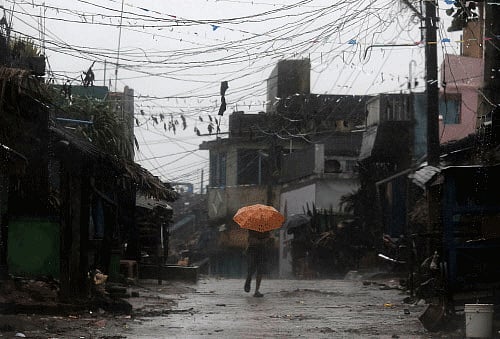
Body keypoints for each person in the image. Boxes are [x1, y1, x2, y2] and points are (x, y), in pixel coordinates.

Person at [244, 230, 272, 297]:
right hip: (252, 251)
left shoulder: (266, 229)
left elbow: (267, 238)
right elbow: (250, 239)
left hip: (262, 251)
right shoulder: (252, 228)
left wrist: (264, 240)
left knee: (260, 270)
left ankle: (256, 290)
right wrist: (257, 241)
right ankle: (249, 278)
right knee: (251, 268)